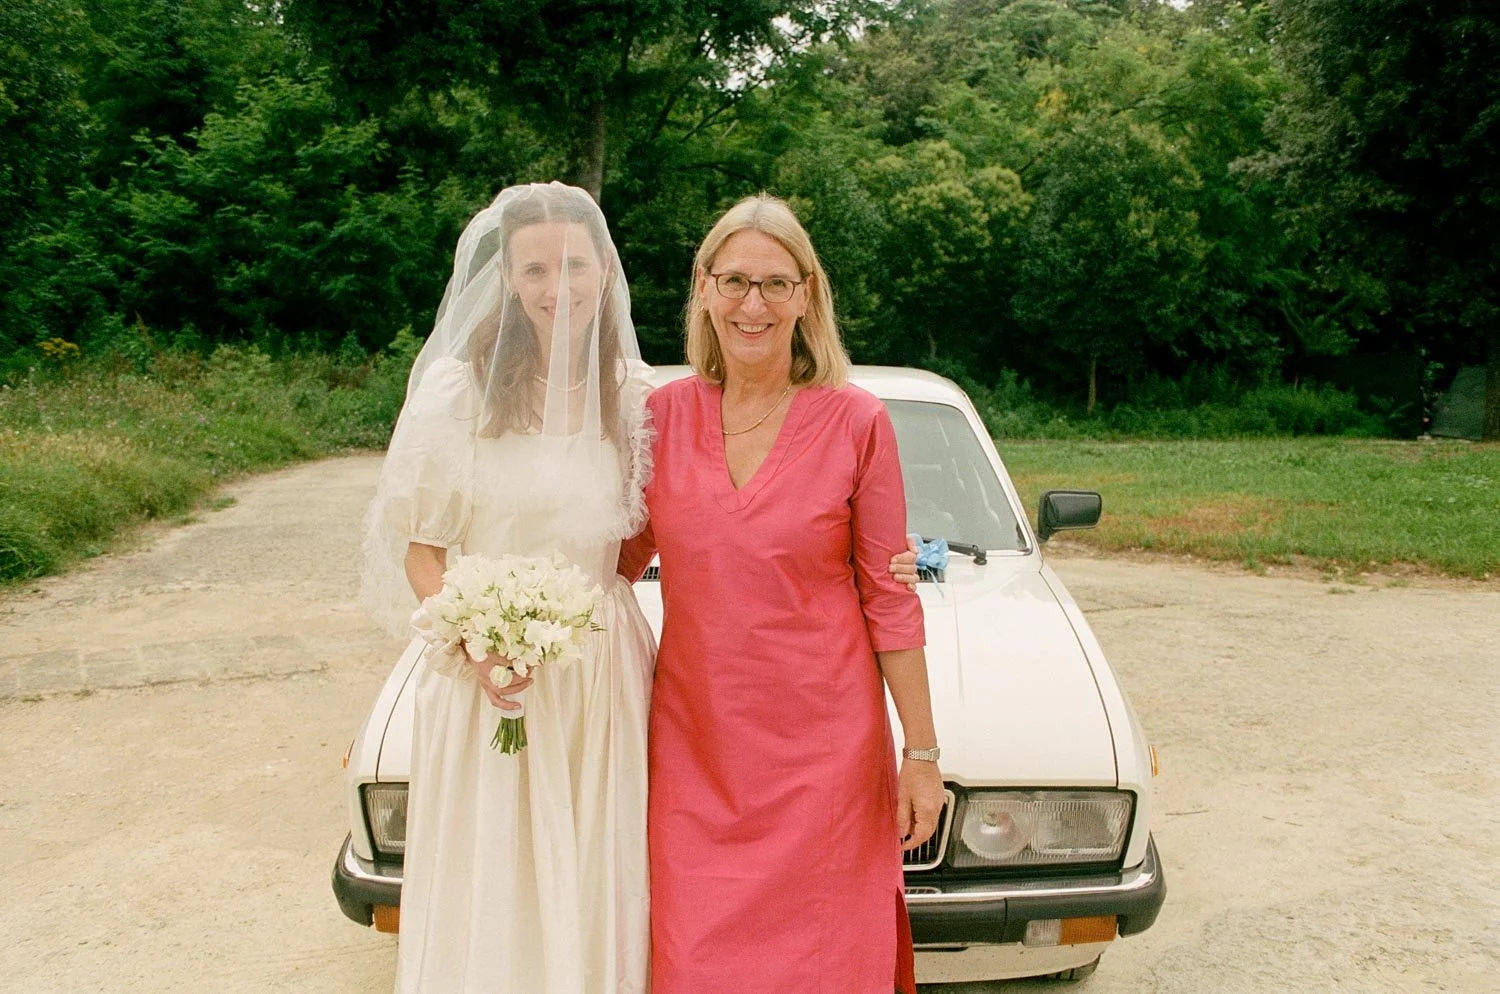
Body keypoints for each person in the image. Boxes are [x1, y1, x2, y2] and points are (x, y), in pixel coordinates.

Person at [618, 194, 945, 994]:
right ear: (702, 288)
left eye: (774, 284)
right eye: (734, 282)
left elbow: (889, 601)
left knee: (822, 966)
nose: (752, 304)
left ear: (808, 293)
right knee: (691, 962)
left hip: (823, 757)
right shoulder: (659, 418)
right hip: (695, 751)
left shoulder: (856, 421)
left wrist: (923, 754)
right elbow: (609, 561)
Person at [360, 183, 656, 994]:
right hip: (487, 674)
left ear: (605, 269)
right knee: (492, 869)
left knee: (597, 862)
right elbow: (423, 550)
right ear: (507, 279)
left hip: (602, 679)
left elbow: (667, 531)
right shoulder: (461, 394)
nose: (557, 287)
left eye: (573, 264)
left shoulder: (635, 396)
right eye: (535, 269)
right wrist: (479, 642)